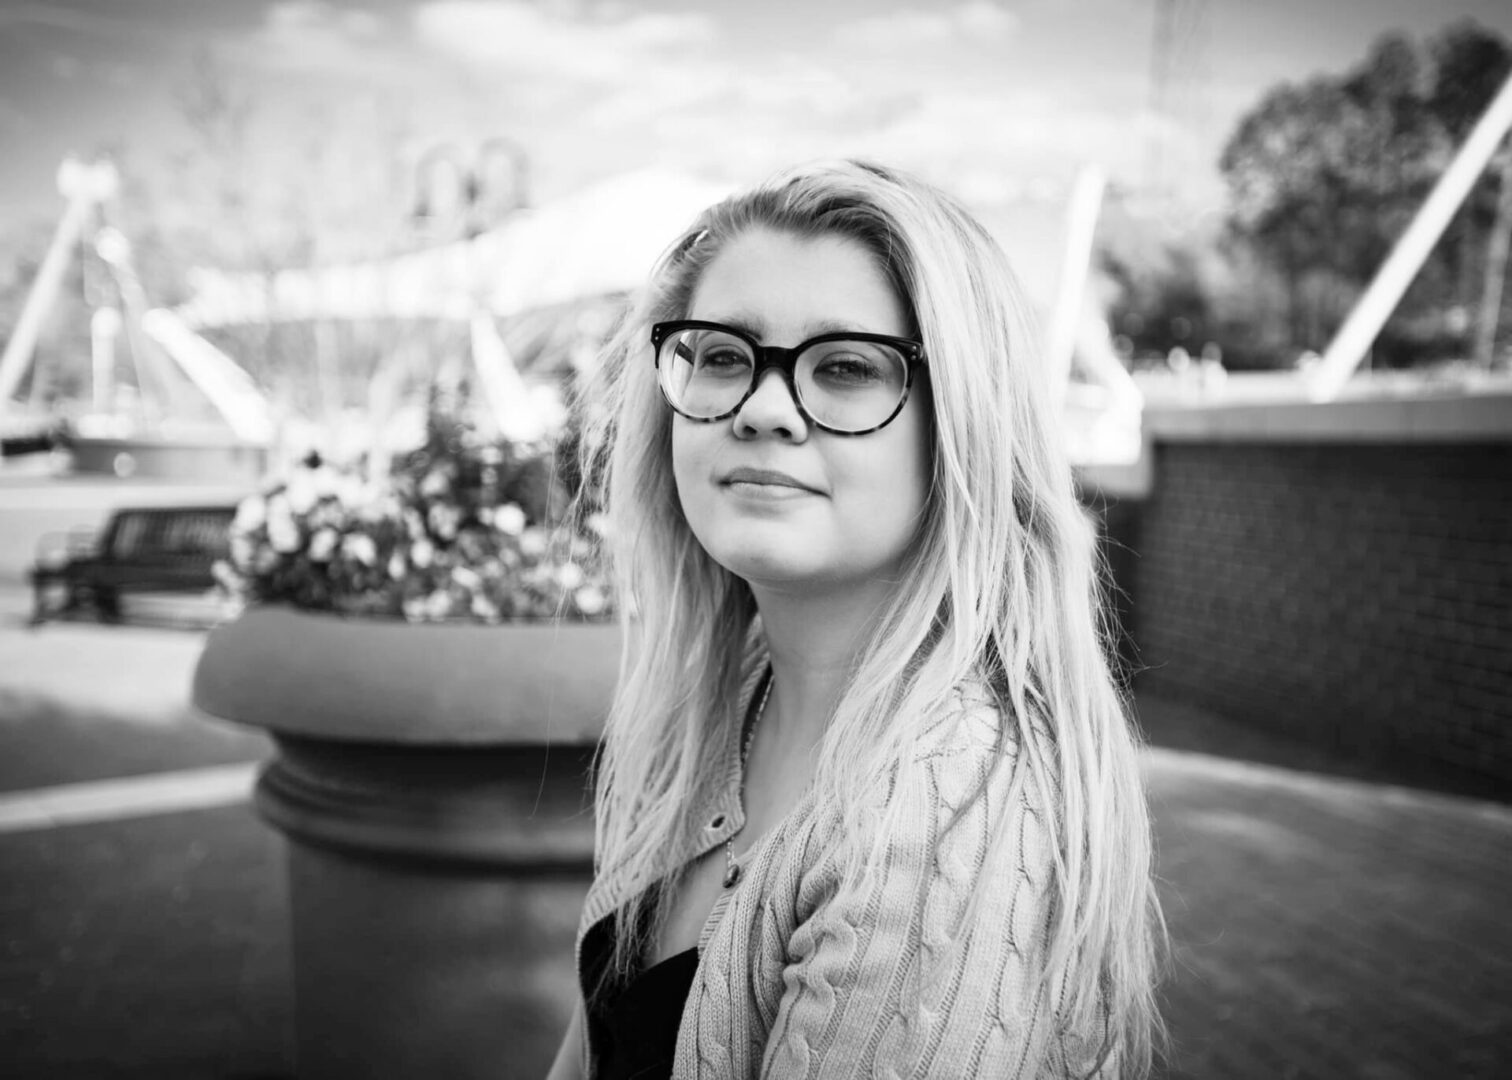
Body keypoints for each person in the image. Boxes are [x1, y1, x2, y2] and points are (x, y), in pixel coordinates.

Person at [548, 160, 1164, 1079]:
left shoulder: (943, 812)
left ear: (961, 422)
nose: (761, 408)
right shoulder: (720, 702)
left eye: (844, 368)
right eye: (721, 354)